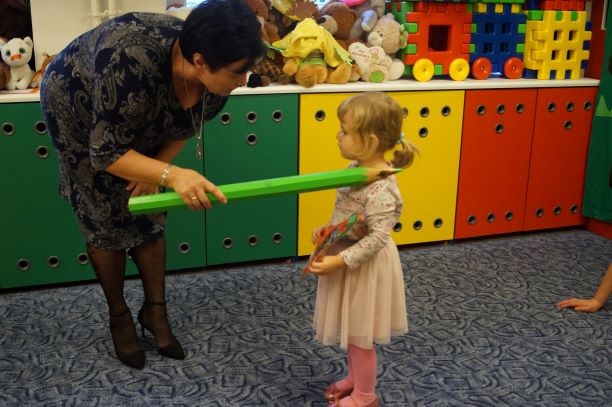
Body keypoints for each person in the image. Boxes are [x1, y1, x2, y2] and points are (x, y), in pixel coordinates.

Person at [40, 0, 265, 369]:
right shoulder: (130, 60)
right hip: (76, 103)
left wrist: (157, 170)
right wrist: (171, 175)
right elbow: (105, 152)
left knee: (149, 213)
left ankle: (155, 311)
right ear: (199, 61)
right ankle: (119, 316)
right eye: (238, 72)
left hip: (135, 108)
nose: (245, 80)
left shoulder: (216, 85)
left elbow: (184, 125)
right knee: (103, 216)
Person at [308, 92, 419, 407]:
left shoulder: (382, 188)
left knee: (360, 338)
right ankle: (355, 379)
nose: (337, 135)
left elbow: (377, 238)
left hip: (364, 266)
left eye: (344, 130)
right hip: (347, 256)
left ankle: (365, 396)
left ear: (369, 141)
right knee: (352, 331)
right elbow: (348, 213)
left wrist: (339, 261)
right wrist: (328, 230)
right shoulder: (354, 168)